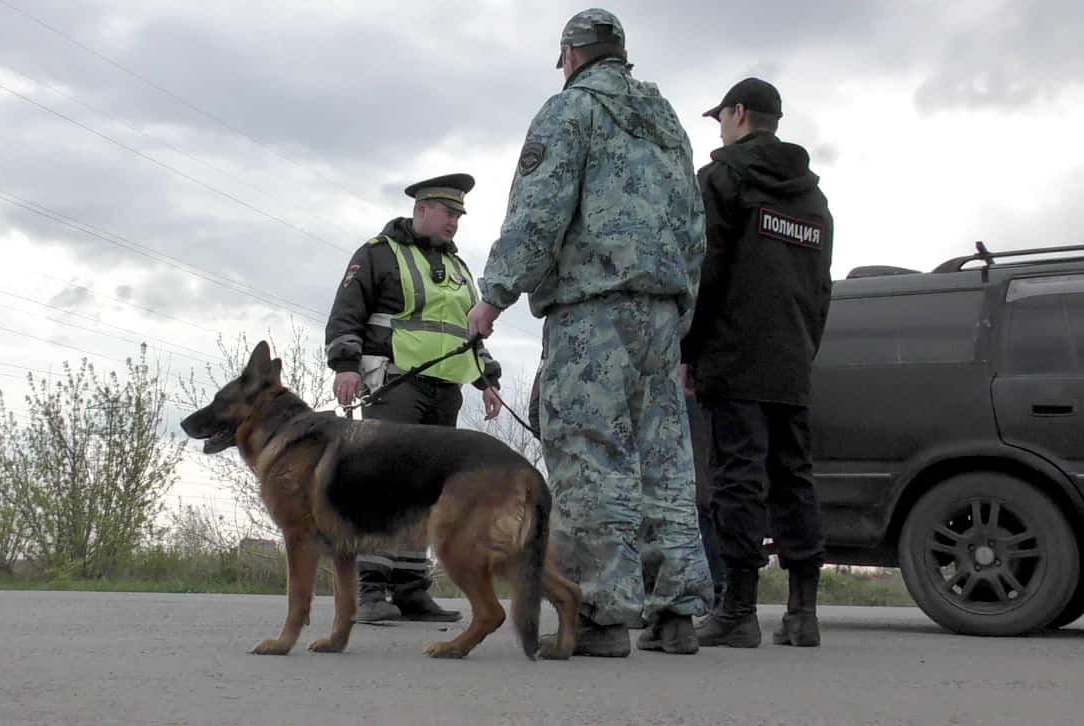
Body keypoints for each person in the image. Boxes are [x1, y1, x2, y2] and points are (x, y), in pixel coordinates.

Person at [467, 8, 712, 657]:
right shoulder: (669, 125)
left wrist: (494, 294)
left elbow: (539, 210)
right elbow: (695, 229)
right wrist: (679, 312)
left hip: (592, 311)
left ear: (571, 55)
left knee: (589, 454)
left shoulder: (570, 111)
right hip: (661, 314)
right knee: (664, 461)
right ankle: (675, 612)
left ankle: (599, 612)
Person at [682, 78, 834, 648]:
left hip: (733, 355)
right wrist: (803, 348)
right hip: (792, 358)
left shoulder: (721, 179)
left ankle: (738, 611)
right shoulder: (813, 198)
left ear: (739, 113)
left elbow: (705, 272)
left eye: (721, 117)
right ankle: (803, 613)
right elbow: (821, 288)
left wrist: (689, 351)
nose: (720, 128)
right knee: (794, 478)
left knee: (736, 480)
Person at [325, 172, 504, 623]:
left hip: (445, 390)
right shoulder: (378, 253)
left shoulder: (459, 268)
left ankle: (410, 590)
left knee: (427, 490)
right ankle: (370, 590)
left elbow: (468, 332)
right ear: (421, 209)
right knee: (382, 482)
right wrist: (345, 366)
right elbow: (346, 313)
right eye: (448, 213)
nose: (454, 222)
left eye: (459, 215)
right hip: (395, 384)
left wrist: (488, 380)